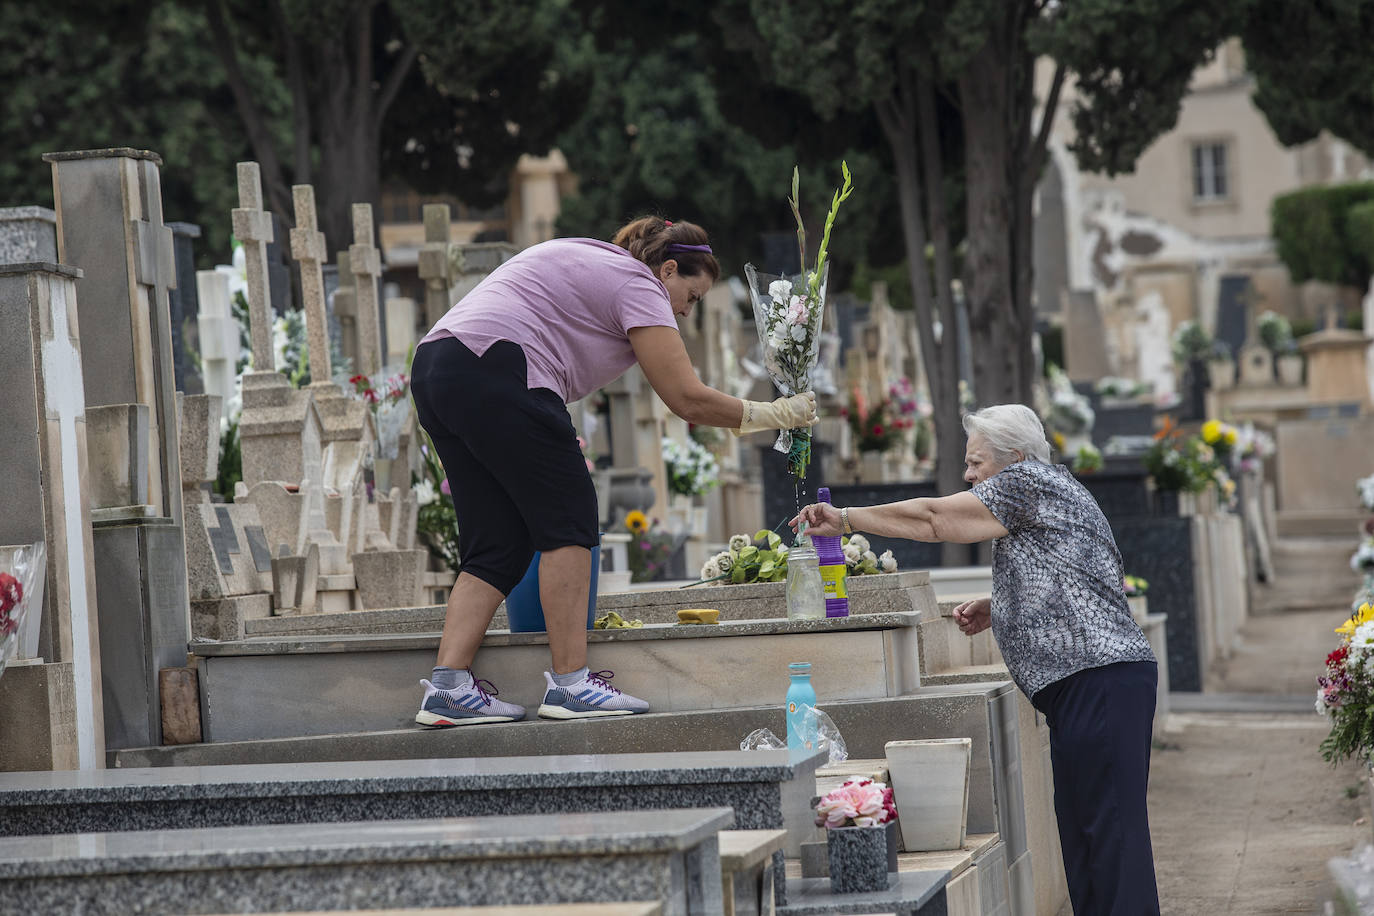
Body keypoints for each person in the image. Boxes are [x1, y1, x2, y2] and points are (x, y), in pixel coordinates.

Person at [409, 216, 817, 726]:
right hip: (502, 367)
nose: (687, 312)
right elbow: (685, 398)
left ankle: (447, 686)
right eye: (690, 296)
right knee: (570, 523)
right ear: (668, 269)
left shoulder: (596, 257)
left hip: (437, 365)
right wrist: (775, 413)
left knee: (496, 542)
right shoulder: (640, 283)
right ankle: (571, 684)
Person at [791, 403, 1160, 914]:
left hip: (1098, 678)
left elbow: (935, 519)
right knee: (1085, 838)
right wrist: (1004, 607)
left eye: (976, 463)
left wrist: (847, 519)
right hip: (1091, 683)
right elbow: (1079, 568)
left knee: (1113, 840)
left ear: (1013, 457)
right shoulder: (1043, 488)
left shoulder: (1027, 480)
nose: (968, 475)